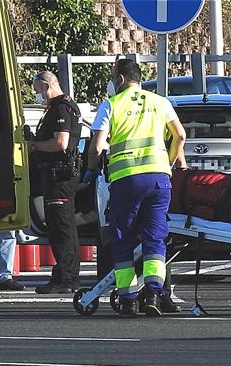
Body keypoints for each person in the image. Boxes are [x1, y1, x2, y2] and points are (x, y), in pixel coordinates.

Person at [85, 59, 186, 317]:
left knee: (123, 239)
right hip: (158, 179)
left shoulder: (111, 105)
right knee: (155, 238)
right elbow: (180, 135)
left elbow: (97, 147)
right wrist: (169, 162)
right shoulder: (160, 102)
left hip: (125, 180)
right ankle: (153, 292)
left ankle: (128, 298)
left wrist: (91, 168)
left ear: (119, 79)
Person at [28, 71, 82, 294]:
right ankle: (62, 274)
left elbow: (61, 142)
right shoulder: (55, 107)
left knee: (62, 227)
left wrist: (35, 146)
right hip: (53, 174)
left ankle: (67, 278)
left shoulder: (61, 107)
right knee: (58, 226)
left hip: (59, 174)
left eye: (38, 90)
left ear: (46, 85)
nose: (38, 95)